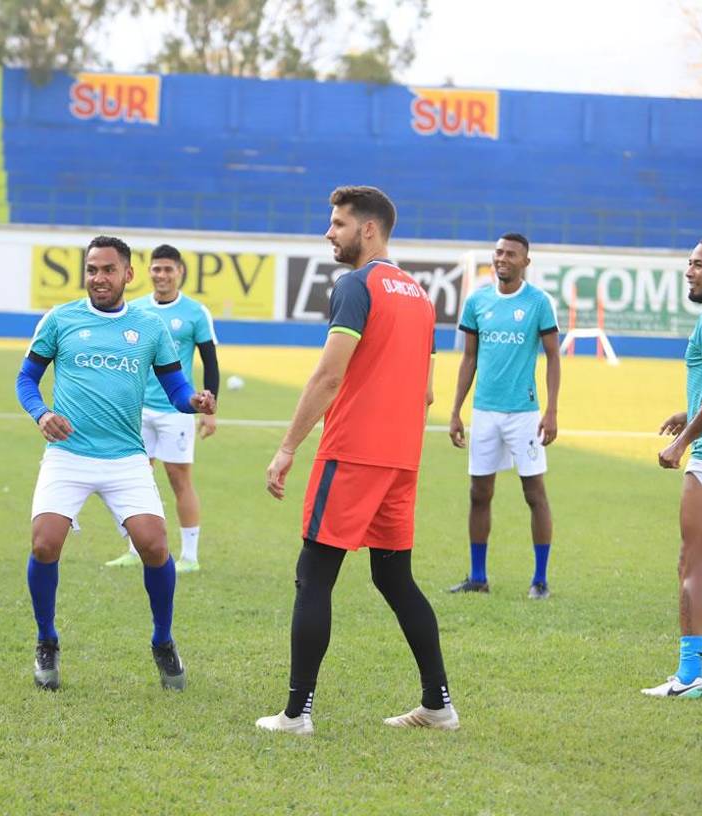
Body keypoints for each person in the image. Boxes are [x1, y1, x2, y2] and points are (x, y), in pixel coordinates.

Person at [256, 186, 457, 736]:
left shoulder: (356, 285)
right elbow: (428, 395)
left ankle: (296, 715)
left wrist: (289, 446)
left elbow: (328, 375)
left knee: (313, 576)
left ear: (369, 229)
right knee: (395, 579)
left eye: (339, 223)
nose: (329, 232)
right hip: (401, 459)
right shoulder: (419, 294)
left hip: (352, 454)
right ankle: (438, 705)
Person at [16, 235, 215, 692]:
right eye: (91, 269)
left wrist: (195, 400)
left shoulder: (149, 328)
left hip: (125, 456)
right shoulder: (61, 319)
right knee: (45, 544)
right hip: (68, 454)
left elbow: (176, 387)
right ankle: (47, 640)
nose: (98, 278)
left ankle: (163, 641)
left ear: (127, 274)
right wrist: (42, 413)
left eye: (108, 270)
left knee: (154, 546)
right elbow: (27, 378)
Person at [448, 233, 561, 599]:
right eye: (498, 252)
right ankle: (478, 578)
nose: (503, 258)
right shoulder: (477, 301)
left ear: (525, 262)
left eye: (511, 254)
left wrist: (552, 409)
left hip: (524, 415)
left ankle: (540, 580)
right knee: (479, 493)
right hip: (484, 413)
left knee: (534, 493)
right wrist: (455, 410)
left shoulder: (538, 303)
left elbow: (553, 358)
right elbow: (469, 359)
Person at [645, 235, 702, 699]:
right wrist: (689, 408)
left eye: (699, 265)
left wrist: (683, 441)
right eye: (688, 264)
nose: (689, 272)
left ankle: (690, 676)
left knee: (691, 562)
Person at [105, 244, 219, 573]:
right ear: (149, 272)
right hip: (136, 410)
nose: (162, 275)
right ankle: (133, 549)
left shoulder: (195, 313)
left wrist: (210, 411)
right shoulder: (136, 310)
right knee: (133, 478)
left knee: (178, 478)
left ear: (180, 272)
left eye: (169, 269)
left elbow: (210, 362)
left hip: (176, 410)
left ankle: (190, 556)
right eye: (157, 269)